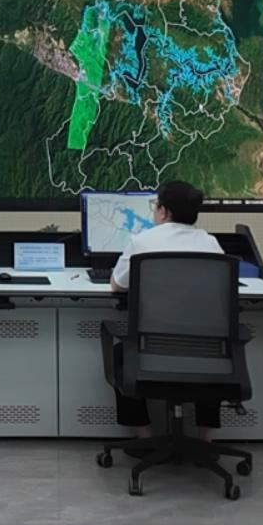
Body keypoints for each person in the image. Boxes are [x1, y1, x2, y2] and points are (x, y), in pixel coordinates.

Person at [108, 179, 228, 441]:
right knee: (219, 348)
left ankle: (145, 436)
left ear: (163, 211)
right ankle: (206, 441)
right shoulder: (211, 244)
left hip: (151, 353)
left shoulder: (143, 242)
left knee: (120, 354)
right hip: (206, 355)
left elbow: (118, 285)